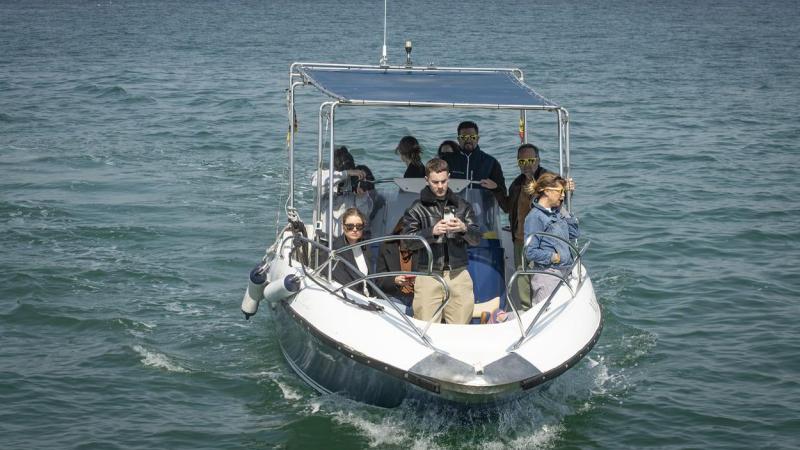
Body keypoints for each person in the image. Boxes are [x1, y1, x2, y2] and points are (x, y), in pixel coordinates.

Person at [402, 157, 481, 324]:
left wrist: (464, 229)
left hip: (458, 273)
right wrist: (432, 232)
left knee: (460, 327)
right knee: (426, 327)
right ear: (426, 180)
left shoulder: (463, 206)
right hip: (428, 274)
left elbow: (476, 239)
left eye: (443, 181)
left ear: (449, 178)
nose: (440, 186)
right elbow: (407, 242)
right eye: (435, 182)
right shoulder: (416, 208)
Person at [523, 173, 580, 306]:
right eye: (560, 191)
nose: (563, 195)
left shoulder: (557, 213)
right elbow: (529, 252)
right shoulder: (535, 217)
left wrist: (564, 210)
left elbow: (574, 234)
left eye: (564, 192)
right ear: (547, 191)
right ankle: (501, 317)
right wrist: (554, 257)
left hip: (565, 271)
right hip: (548, 276)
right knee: (544, 316)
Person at [311, 146, 369, 237]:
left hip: (346, 240)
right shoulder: (323, 177)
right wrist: (345, 174)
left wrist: (362, 196)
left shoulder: (353, 186)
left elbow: (364, 215)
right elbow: (317, 184)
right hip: (323, 239)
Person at [446, 121, 507, 206]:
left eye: (472, 137)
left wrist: (495, 188)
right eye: (464, 137)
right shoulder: (447, 161)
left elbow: (503, 198)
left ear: (478, 139)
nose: (468, 140)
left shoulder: (490, 162)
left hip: (481, 214)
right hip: (454, 212)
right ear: (458, 139)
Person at [325, 207, 373, 296]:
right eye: (350, 226)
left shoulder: (365, 246)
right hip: (352, 297)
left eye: (359, 226)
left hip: (370, 297)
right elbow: (343, 282)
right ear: (343, 226)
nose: (355, 229)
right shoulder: (336, 249)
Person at [374, 218, 415, 315]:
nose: (408, 237)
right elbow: (379, 280)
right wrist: (395, 280)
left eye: (413, 234)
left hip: (418, 297)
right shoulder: (386, 246)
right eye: (405, 233)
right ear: (399, 232)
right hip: (395, 296)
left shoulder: (424, 248)